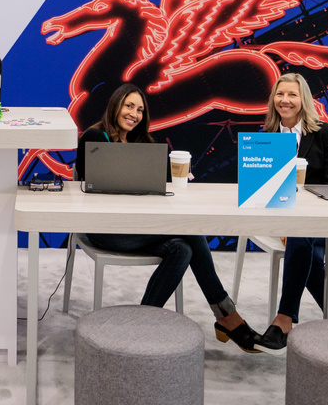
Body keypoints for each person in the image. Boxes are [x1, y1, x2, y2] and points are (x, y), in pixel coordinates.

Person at [76, 83, 262, 354]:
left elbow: (153, 187)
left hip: (136, 227)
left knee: (183, 248)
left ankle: (140, 324)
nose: (135, 114)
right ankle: (227, 316)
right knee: (190, 231)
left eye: (140, 109)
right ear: (115, 105)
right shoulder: (95, 137)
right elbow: (99, 185)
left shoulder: (142, 143)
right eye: (129, 106)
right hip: (107, 228)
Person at [255, 72, 328, 353]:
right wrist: (281, 225)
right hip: (289, 225)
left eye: (292, 95)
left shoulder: (325, 133)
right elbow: (262, 193)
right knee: (302, 241)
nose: (285, 100)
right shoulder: (266, 138)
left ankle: (284, 319)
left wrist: (298, 223)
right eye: (280, 94)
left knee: (301, 236)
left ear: (304, 99)